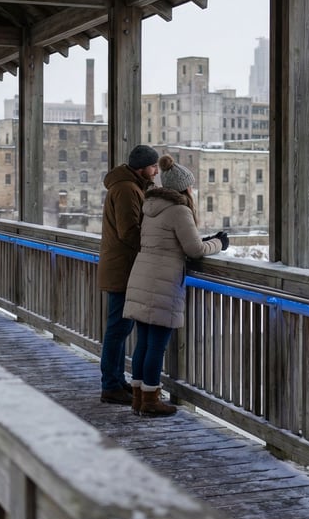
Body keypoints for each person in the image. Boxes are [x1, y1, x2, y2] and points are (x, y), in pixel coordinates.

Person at [123, 155, 228, 417]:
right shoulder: (180, 210)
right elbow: (194, 250)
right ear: (183, 187)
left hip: (142, 276)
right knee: (157, 345)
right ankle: (150, 400)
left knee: (143, 343)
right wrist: (219, 244)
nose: (192, 190)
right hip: (163, 283)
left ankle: (138, 399)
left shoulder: (151, 205)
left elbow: (167, 240)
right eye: (190, 186)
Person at [97, 144, 160, 404]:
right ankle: (110, 385)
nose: (156, 171)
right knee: (118, 328)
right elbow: (129, 231)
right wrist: (154, 248)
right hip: (124, 268)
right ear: (143, 167)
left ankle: (115, 381)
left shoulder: (130, 185)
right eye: (153, 166)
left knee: (120, 328)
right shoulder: (126, 189)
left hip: (122, 266)